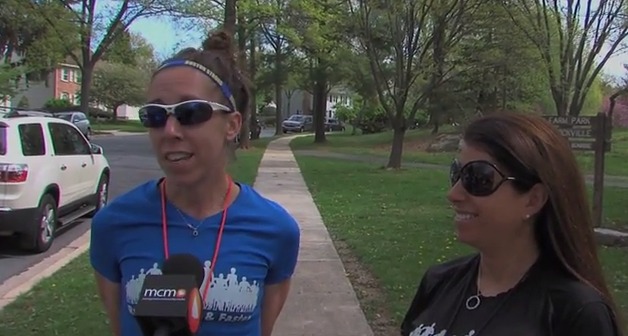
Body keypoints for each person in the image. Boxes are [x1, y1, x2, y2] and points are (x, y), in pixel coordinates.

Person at [90, 29, 300, 336]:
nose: (170, 130)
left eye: (190, 112)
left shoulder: (276, 230)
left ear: (232, 125)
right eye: (156, 115)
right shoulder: (113, 225)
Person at [400, 113, 623, 336]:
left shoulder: (576, 312)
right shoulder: (439, 282)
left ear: (533, 200)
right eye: (456, 174)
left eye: (478, 177)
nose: (453, 194)